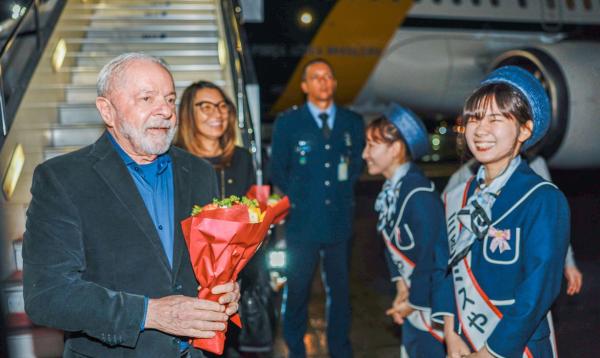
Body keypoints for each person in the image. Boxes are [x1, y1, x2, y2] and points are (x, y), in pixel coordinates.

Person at [22, 53, 240, 357]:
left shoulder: (199, 173)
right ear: (107, 110)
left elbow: (210, 265)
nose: (165, 111)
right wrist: (150, 314)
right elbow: (48, 295)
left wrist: (226, 289)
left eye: (169, 98)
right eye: (147, 98)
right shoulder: (62, 179)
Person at [432, 66, 570, 358]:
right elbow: (443, 268)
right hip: (464, 341)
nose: (480, 130)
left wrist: (491, 351)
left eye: (496, 118)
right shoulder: (456, 197)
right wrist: (450, 331)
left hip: (517, 347)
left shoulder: (543, 199)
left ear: (525, 129)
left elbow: (538, 291)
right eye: (475, 118)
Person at [269, 58, 365, 358]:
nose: (323, 82)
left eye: (328, 76)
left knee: (340, 294)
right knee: (297, 291)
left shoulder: (352, 121)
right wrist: (300, 197)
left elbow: (356, 165)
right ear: (304, 85)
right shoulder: (288, 122)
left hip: (340, 222)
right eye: (316, 77)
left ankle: (340, 349)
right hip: (302, 223)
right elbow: (277, 170)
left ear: (334, 83)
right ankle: (295, 348)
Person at [176, 80, 274, 356]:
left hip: (241, 280)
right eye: (205, 106)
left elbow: (257, 210)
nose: (217, 113)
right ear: (187, 113)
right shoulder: (175, 161)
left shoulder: (242, 159)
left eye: (222, 106)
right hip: (192, 282)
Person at [363, 104, 445, 357]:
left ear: (396, 148)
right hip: (413, 301)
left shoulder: (418, 195)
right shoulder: (392, 191)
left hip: (429, 306)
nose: (365, 154)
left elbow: (431, 256)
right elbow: (392, 246)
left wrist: (413, 302)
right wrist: (400, 286)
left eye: (371, 146)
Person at [443, 156, 582, 296]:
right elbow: (445, 218)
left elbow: (551, 224)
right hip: (477, 276)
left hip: (520, 265)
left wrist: (568, 262)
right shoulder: (466, 173)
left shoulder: (534, 165)